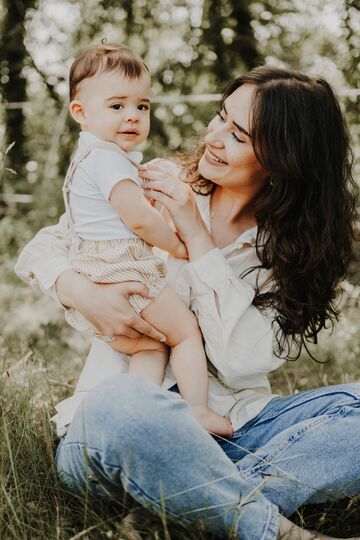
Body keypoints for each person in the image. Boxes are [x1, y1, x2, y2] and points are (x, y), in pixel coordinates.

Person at [15, 65, 359, 539]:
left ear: (285, 159)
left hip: (235, 430)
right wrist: (83, 294)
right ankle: (265, 525)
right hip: (122, 429)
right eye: (220, 117)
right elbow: (43, 249)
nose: (214, 137)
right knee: (124, 404)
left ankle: (191, 500)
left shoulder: (293, 250)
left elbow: (238, 364)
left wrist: (197, 238)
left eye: (238, 134)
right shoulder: (155, 181)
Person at [50, 42, 232, 436]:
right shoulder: (108, 160)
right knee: (185, 333)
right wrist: (178, 246)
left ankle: (136, 414)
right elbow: (140, 222)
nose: (132, 116)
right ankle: (198, 410)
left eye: (142, 106)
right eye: (117, 106)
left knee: (150, 346)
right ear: (80, 112)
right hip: (124, 267)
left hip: (97, 271)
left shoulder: (90, 156)